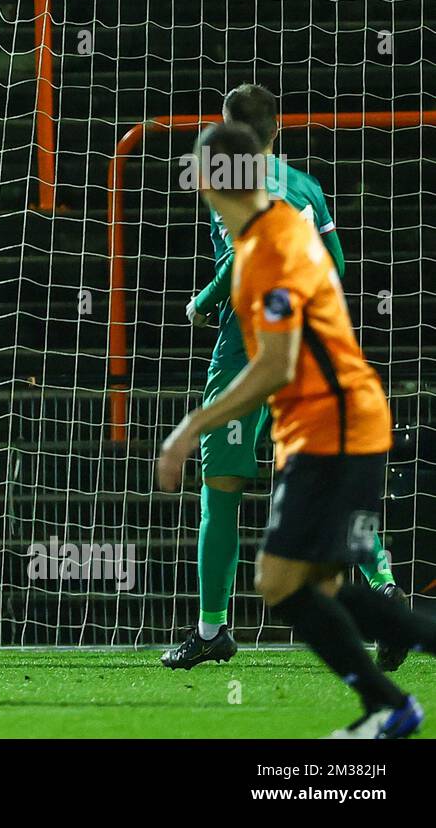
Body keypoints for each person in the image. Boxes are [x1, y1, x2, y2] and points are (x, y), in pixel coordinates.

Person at [159, 122, 436, 738]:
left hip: (333, 428)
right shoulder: (280, 230)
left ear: (215, 180)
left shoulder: (269, 252)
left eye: (202, 176)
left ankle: (386, 705)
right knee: (318, 583)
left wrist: (189, 429)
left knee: (283, 582)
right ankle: (388, 708)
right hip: (333, 421)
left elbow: (276, 365)